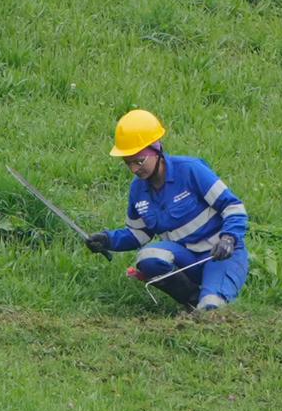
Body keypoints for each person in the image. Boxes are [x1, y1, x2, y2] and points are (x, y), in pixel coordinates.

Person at [86, 112, 251, 316]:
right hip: (186, 259)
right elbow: (139, 235)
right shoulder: (138, 190)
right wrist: (108, 240)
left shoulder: (190, 170)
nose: (134, 169)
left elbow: (233, 207)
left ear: (157, 149)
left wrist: (229, 238)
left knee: (211, 309)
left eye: (139, 161)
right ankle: (191, 302)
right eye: (128, 163)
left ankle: (209, 299)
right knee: (148, 256)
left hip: (221, 255)